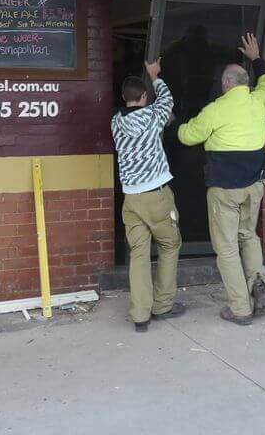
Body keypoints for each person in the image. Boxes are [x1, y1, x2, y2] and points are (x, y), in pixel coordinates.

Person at [177, 33, 265, 325]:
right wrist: (256, 58)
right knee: (249, 236)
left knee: (227, 247)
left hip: (225, 189)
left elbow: (188, 136)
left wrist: (175, 124)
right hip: (254, 185)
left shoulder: (216, 109)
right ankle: (258, 283)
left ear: (226, 83)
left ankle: (240, 308)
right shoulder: (260, 100)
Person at [111, 59, 185, 332]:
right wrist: (155, 76)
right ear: (143, 96)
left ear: (124, 97)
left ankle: (140, 315)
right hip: (157, 196)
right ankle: (162, 305)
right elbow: (168, 100)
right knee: (170, 245)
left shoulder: (116, 122)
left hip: (131, 199)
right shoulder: (153, 116)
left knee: (139, 254)